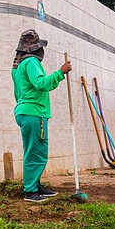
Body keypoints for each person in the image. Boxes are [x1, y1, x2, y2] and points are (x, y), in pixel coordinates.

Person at [11, 29, 72, 202]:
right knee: (36, 153)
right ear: (34, 49)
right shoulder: (31, 62)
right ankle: (30, 191)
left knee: (34, 151)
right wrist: (61, 72)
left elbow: (19, 92)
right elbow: (40, 84)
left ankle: (36, 186)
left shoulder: (17, 66)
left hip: (26, 112)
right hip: (34, 113)